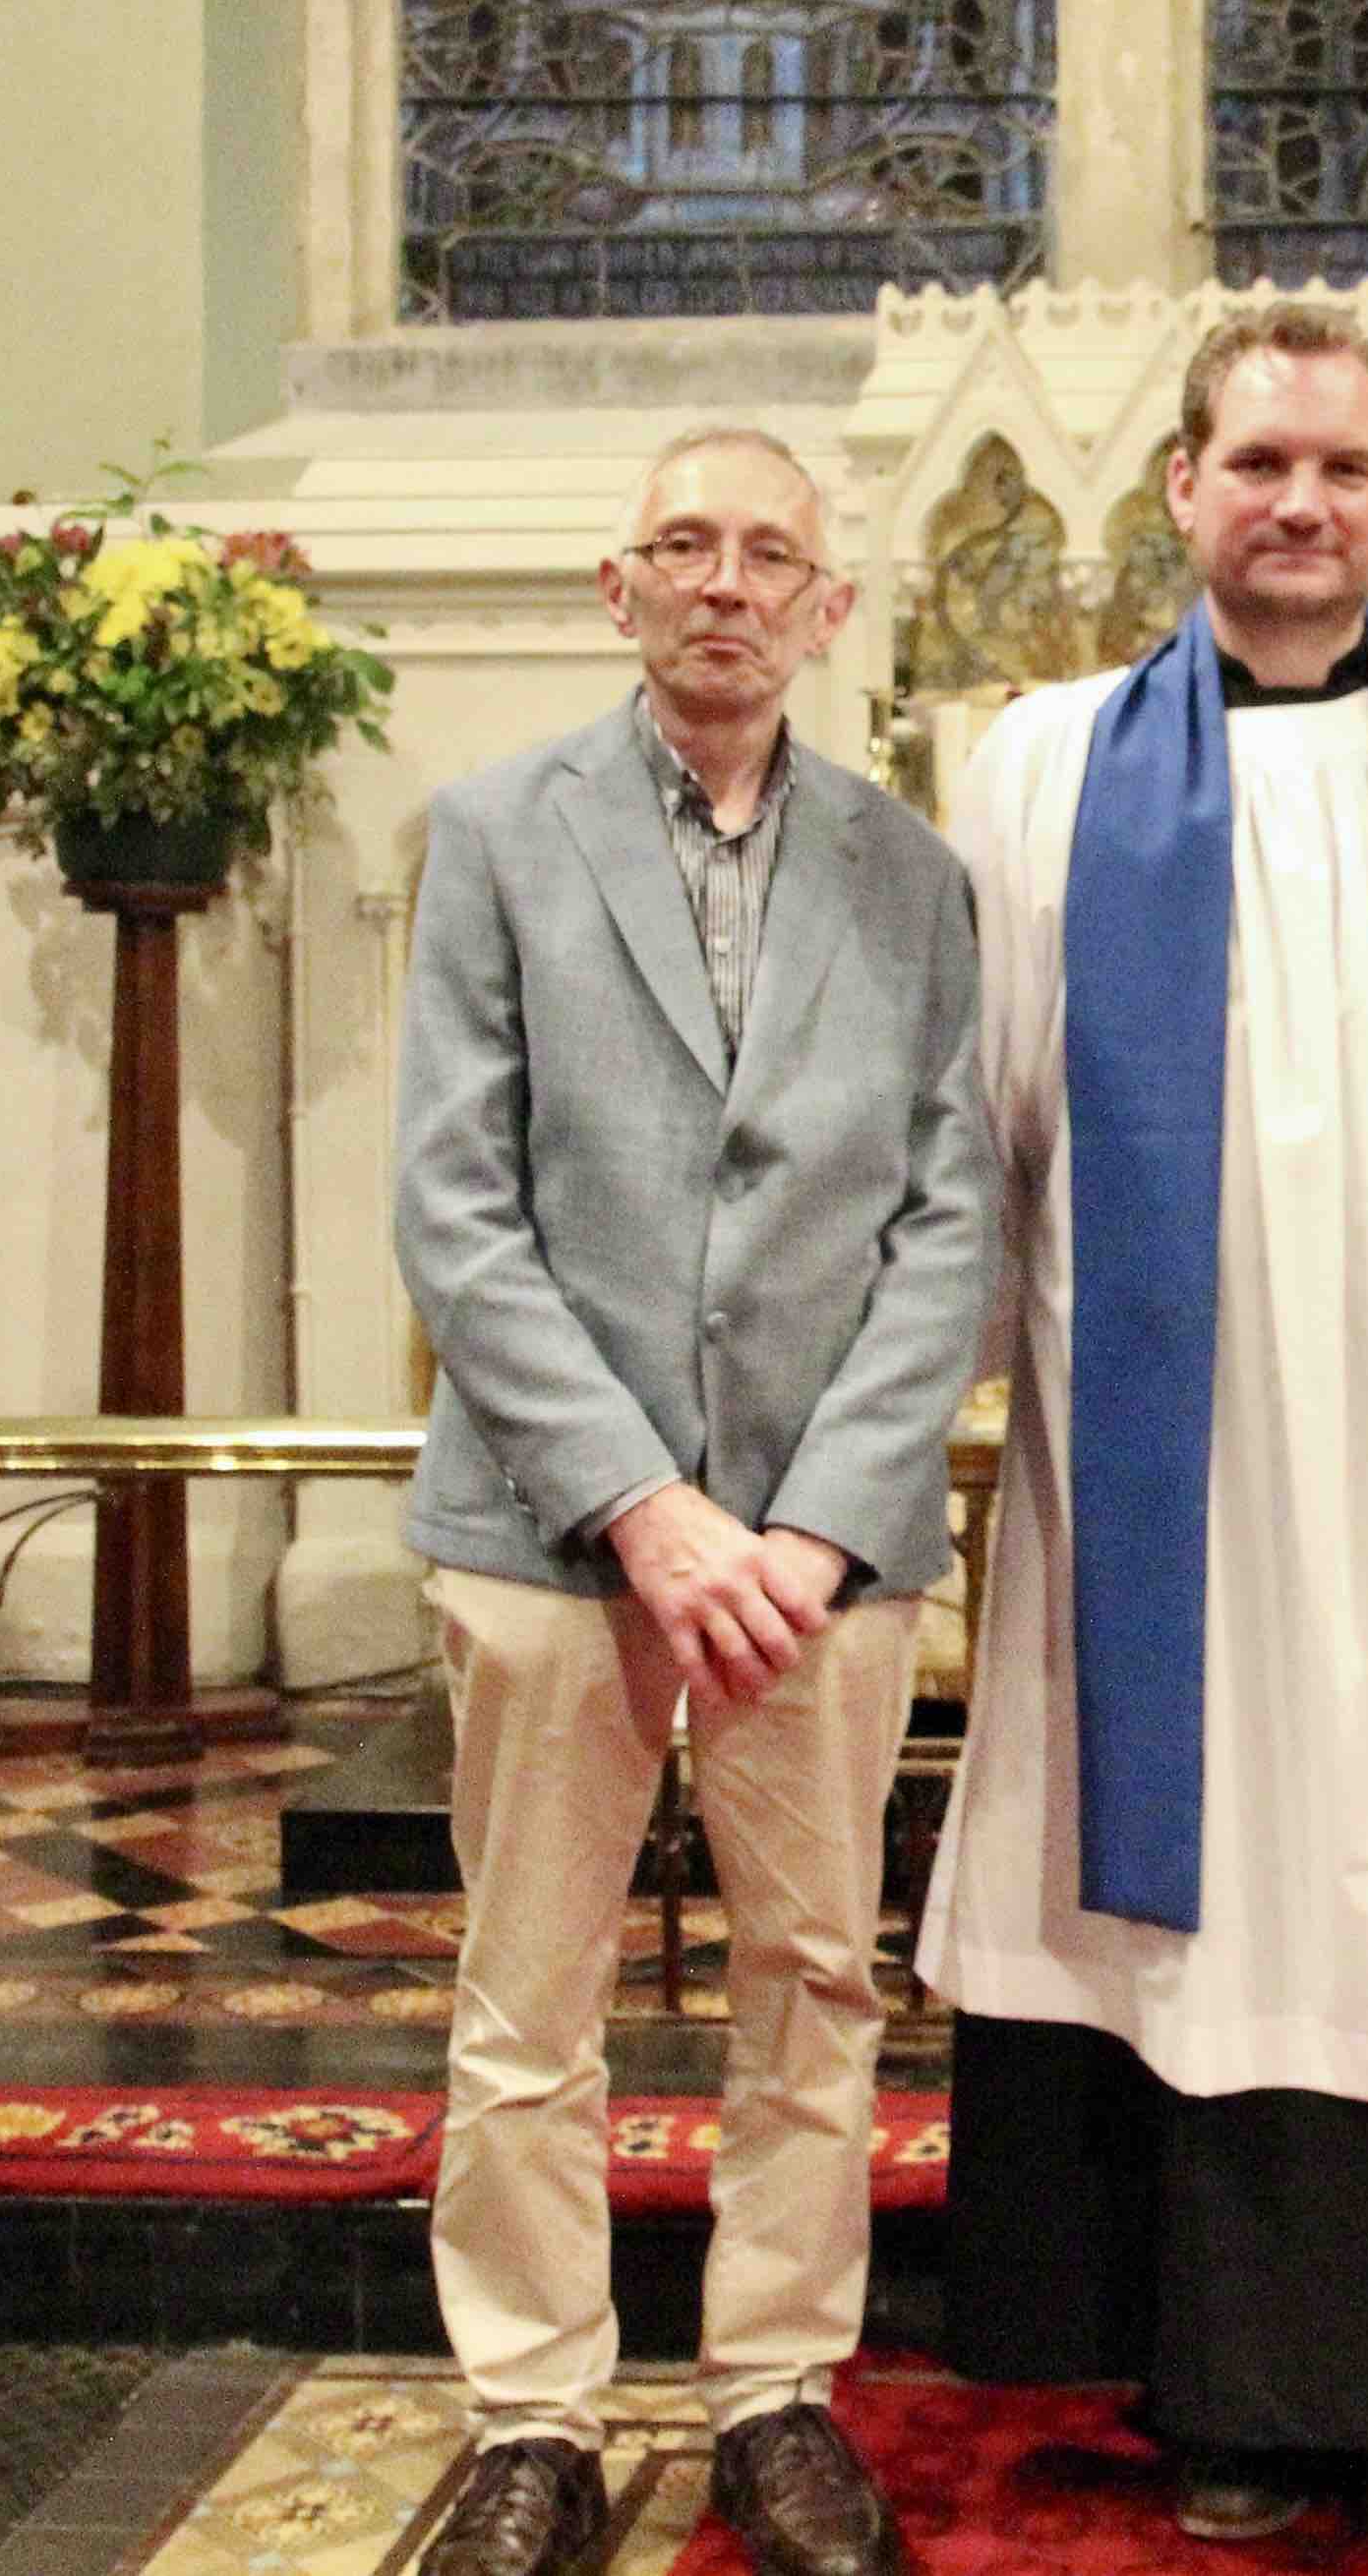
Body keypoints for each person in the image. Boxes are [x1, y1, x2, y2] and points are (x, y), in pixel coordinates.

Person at [912, 303, 1368, 2565]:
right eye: (1256, 464)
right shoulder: (1041, 763)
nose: (1298, 503)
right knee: (1205, 1918)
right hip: (1165, 1466)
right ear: (1182, 489)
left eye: (1341, 466)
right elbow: (981, 1117)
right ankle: (1219, 2390)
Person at [392, 427, 1000, 2576]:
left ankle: (773, 2388)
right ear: (615, 586)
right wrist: (647, 1502)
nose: (725, 583)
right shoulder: (493, 835)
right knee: (526, 1990)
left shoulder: (911, 875)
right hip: (559, 1529)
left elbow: (951, 1225)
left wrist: (820, 1523)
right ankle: (534, 2415)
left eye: (771, 554)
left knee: (816, 1976)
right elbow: (458, 1212)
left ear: (829, 608)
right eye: (684, 546)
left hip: (816, 1550)